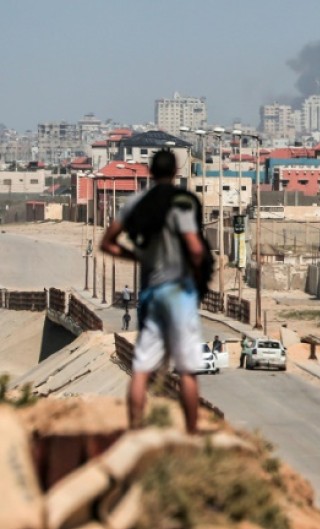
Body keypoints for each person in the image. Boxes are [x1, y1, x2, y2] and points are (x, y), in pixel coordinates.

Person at [99, 149, 207, 435]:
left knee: (142, 368)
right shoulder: (180, 203)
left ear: (149, 171)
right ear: (176, 172)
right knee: (186, 369)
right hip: (177, 290)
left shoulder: (136, 202)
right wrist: (196, 275)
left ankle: (135, 430)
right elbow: (195, 248)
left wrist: (137, 258)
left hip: (150, 291)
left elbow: (108, 242)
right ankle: (192, 433)